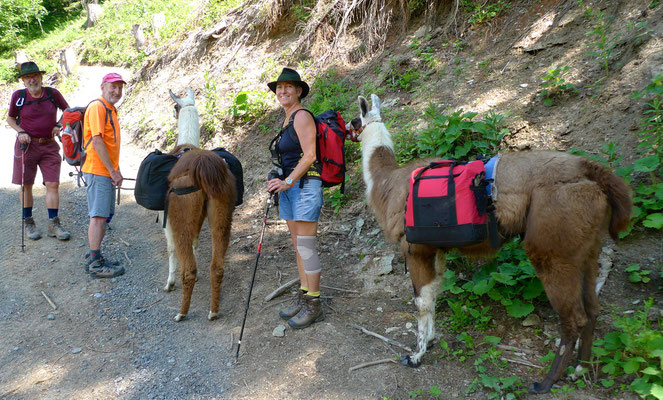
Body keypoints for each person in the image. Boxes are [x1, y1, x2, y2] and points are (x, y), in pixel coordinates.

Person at [267, 67, 325, 329]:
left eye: (288, 87)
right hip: (290, 188)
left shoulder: (301, 116)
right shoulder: (287, 119)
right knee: (297, 245)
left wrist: (288, 180)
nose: (283, 91)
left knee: (306, 246)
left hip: (304, 186)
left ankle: (314, 303)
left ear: (299, 91)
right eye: (279, 88)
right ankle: (304, 296)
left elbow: (310, 155)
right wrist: (279, 178)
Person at [7, 61, 71, 241]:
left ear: (41, 77)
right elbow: (11, 118)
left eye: (34, 76)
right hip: (26, 146)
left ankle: (54, 224)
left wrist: (59, 125)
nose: (31, 80)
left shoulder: (52, 94)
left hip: (50, 145)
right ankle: (28, 222)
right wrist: (20, 131)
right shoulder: (18, 97)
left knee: (53, 184)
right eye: (27, 77)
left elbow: (68, 111)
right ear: (23, 81)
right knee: (26, 185)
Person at [81, 72, 126, 279]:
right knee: (98, 217)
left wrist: (115, 169)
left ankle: (96, 256)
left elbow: (109, 143)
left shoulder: (111, 109)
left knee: (104, 216)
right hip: (98, 171)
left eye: (120, 87)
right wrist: (111, 171)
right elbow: (97, 141)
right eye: (113, 87)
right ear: (103, 86)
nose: (117, 91)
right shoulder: (98, 107)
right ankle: (95, 263)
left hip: (104, 171)